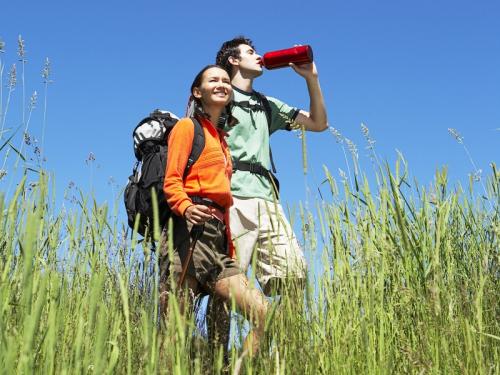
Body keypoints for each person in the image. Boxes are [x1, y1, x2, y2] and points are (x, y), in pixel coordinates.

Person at [159, 64, 268, 357]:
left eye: (225, 80)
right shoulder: (187, 127)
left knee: (263, 312)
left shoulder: (222, 142)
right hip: (188, 233)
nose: (222, 83)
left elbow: (224, 200)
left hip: (217, 240)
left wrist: (228, 244)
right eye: (213, 80)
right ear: (198, 92)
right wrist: (185, 207)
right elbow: (172, 180)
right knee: (175, 331)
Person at [216, 36, 328, 294]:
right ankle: (217, 337)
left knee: (294, 277)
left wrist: (311, 78)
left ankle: (282, 334)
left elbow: (319, 124)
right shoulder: (219, 96)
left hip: (268, 200)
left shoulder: (267, 104)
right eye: (250, 51)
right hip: (231, 197)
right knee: (228, 283)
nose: (259, 56)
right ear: (234, 60)